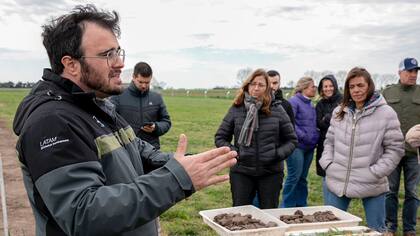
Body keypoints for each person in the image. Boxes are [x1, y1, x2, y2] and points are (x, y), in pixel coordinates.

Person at [12, 5, 237, 235]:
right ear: (71, 65)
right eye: (107, 55)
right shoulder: (52, 122)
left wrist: (187, 164)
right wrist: (176, 179)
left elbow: (138, 152)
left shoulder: (98, 106)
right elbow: (83, 214)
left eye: (118, 52)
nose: (120, 63)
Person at [320, 67, 404, 233]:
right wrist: (328, 163)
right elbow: (329, 141)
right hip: (338, 180)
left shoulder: (386, 113)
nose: (356, 90)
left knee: (376, 230)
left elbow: (395, 148)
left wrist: (376, 172)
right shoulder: (339, 111)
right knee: (334, 230)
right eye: (351, 87)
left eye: (360, 85)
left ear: (369, 86)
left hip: (372, 182)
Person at [215, 69, 297, 209]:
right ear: (247, 85)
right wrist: (236, 152)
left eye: (261, 85)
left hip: (271, 172)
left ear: (267, 88)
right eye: (253, 84)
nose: (256, 88)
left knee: (269, 214)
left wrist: (276, 154)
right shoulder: (237, 108)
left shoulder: (277, 109)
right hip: (242, 172)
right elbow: (220, 137)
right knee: (240, 214)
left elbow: (292, 140)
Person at [383, 57, 420, 236]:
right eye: (410, 71)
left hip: (415, 153)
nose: (413, 75)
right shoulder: (387, 93)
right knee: (390, 191)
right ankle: (390, 226)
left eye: (416, 71)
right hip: (392, 151)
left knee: (412, 192)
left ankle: (409, 228)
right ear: (400, 72)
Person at [251, 69, 295, 208]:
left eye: (275, 83)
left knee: (269, 198)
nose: (272, 86)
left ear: (279, 83)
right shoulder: (252, 103)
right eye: (269, 83)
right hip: (253, 157)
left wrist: (277, 153)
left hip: (273, 159)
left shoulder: (286, 105)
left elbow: (290, 133)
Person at [110, 62, 171, 150]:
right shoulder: (118, 96)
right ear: (134, 77)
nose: (144, 85)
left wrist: (156, 127)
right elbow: (108, 121)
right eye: (141, 82)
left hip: (152, 151)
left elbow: (166, 122)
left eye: (147, 82)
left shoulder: (157, 98)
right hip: (127, 150)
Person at [281, 76, 319, 208]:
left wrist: (315, 136)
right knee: (294, 176)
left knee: (303, 178)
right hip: (296, 147)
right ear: (304, 88)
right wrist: (304, 136)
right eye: (312, 86)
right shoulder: (294, 102)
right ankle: (286, 207)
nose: (315, 89)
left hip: (309, 147)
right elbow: (290, 123)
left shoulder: (310, 104)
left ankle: (301, 205)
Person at [315, 74, 343, 204]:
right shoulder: (320, 104)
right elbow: (318, 123)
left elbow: (343, 121)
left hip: (341, 142)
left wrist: (326, 118)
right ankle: (328, 206)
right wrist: (331, 117)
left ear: (335, 86)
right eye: (325, 86)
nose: (328, 89)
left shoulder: (343, 100)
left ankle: (339, 205)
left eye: (331, 85)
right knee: (326, 173)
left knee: (338, 174)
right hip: (324, 143)